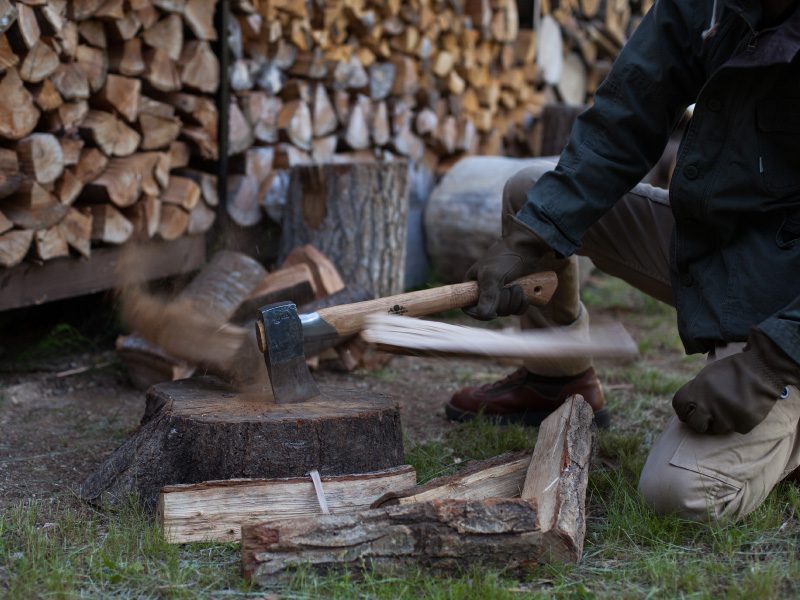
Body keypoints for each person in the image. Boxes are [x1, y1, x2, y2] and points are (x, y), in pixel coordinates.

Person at [448, 0, 800, 521]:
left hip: (787, 295)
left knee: (683, 493)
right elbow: (624, 118)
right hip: (719, 246)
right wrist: (531, 238)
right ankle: (557, 381)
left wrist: (773, 360)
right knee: (532, 198)